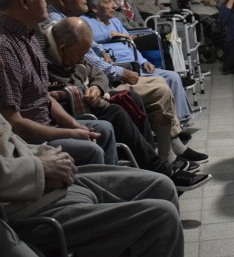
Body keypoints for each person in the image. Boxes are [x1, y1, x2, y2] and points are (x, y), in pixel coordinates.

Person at [42, 0, 207, 165]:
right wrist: (114, 72)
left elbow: (93, 61)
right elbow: (87, 61)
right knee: (157, 90)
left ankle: (167, 153)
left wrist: (107, 65)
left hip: (109, 75)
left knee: (165, 82)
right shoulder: (58, 27)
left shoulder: (76, 21)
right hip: (104, 80)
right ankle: (162, 157)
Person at [43, 17, 211, 191]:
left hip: (89, 97)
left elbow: (98, 74)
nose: (82, 58)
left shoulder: (74, 51)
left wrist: (96, 87)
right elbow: (49, 95)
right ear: (62, 49)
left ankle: (152, 162)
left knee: (132, 98)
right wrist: (84, 90)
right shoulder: (45, 62)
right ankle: (160, 168)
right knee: (116, 111)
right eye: (80, 54)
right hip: (71, 109)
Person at [0, 111, 184, 256]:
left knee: (161, 185)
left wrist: (48, 154)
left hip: (47, 180)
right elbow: (17, 124)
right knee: (162, 218)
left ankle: (167, 162)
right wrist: (41, 166)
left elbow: (11, 142)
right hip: (25, 205)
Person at [0, 0, 117, 166]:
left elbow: (42, 95)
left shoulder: (29, 34)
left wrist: (74, 125)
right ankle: (92, 193)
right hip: (26, 141)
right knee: (90, 149)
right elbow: (14, 123)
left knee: (103, 128)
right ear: (24, 1)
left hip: (45, 124)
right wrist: (69, 132)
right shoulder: (5, 46)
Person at [81, 0, 195, 128]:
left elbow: (129, 45)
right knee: (160, 80)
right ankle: (172, 124)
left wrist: (143, 61)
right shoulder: (85, 22)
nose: (115, 6)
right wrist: (109, 34)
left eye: (114, 1)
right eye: (109, 2)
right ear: (95, 7)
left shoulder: (115, 21)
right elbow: (87, 39)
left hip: (135, 63)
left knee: (173, 76)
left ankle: (181, 119)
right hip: (120, 69)